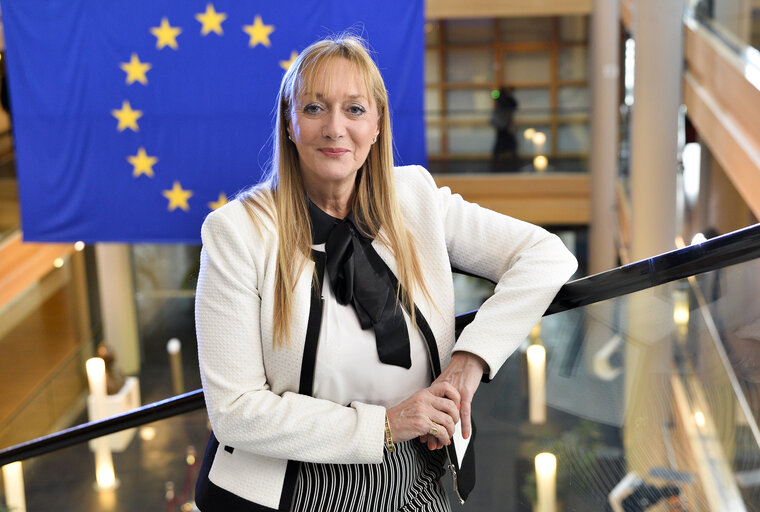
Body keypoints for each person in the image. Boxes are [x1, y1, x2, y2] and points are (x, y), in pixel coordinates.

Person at [194, 34, 577, 511]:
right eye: (314, 108)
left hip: (413, 476)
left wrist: (469, 360)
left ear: (377, 125)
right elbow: (234, 412)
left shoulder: (413, 197)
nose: (335, 129)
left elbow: (546, 256)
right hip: (293, 489)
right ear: (290, 123)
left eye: (354, 110)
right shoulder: (237, 233)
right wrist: (387, 424)